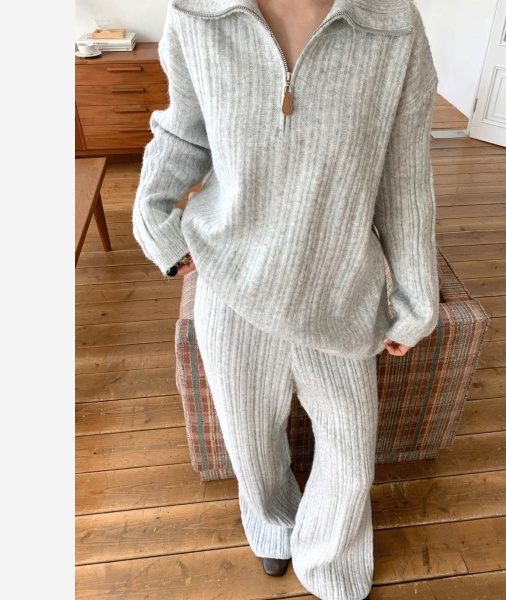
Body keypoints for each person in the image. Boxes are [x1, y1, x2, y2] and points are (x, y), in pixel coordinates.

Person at [132, 0, 439, 598]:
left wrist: (417, 297)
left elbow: (404, 172)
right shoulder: (198, 14)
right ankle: (272, 526)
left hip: (340, 290)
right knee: (249, 439)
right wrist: (157, 223)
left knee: (350, 450)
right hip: (233, 287)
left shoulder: (393, 24)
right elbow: (182, 130)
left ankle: (331, 560)